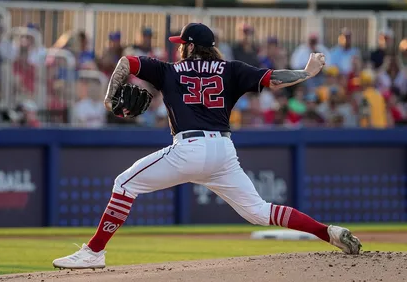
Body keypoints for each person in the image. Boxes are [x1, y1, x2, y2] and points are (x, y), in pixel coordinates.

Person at [52, 22, 362, 270]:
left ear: (188, 46)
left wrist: (109, 98)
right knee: (258, 211)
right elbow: (276, 80)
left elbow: (126, 62)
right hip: (224, 152)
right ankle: (328, 232)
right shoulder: (231, 69)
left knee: (124, 184)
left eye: (181, 45)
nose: (179, 49)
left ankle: (94, 252)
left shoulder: (168, 71)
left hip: (189, 148)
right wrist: (307, 72)